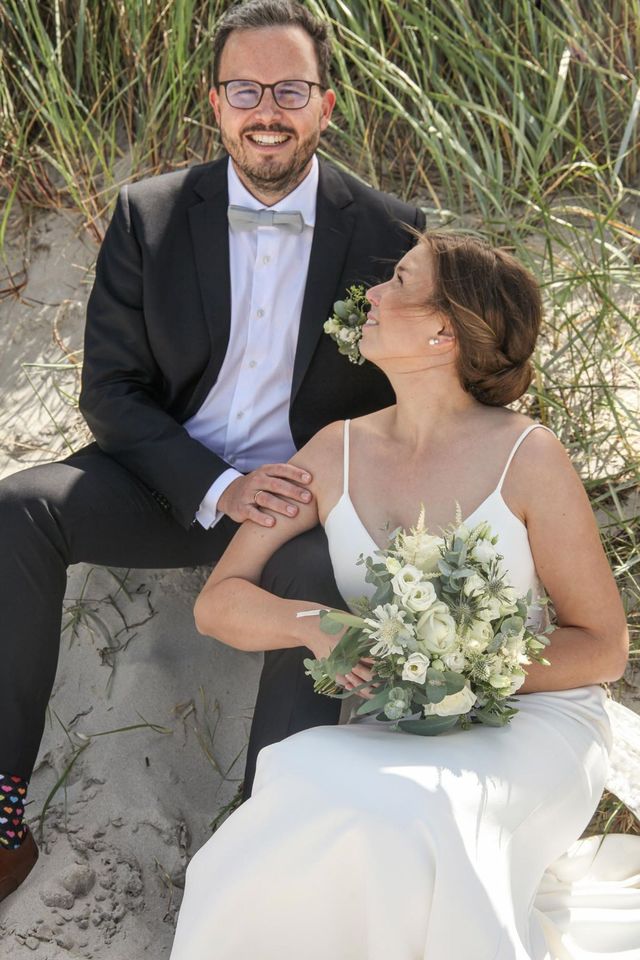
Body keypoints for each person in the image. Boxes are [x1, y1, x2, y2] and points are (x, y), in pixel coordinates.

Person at [0, 0, 425, 901]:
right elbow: (110, 393)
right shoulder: (147, 214)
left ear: (326, 105)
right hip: (167, 483)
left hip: (304, 509)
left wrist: (316, 491)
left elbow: (411, 400)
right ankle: (1, 809)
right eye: (245, 89)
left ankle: (268, 837)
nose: (265, 109)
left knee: (315, 575)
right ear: (215, 102)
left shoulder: (392, 235)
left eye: (288, 89)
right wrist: (220, 486)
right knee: (17, 508)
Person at [169, 233, 640, 959]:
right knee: (300, 781)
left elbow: (603, 647)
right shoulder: (333, 452)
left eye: (397, 280)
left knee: (421, 812)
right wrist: (318, 624)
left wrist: (467, 674)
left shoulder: (528, 454)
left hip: (536, 724)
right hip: (404, 725)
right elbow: (219, 602)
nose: (374, 296)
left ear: (443, 330)